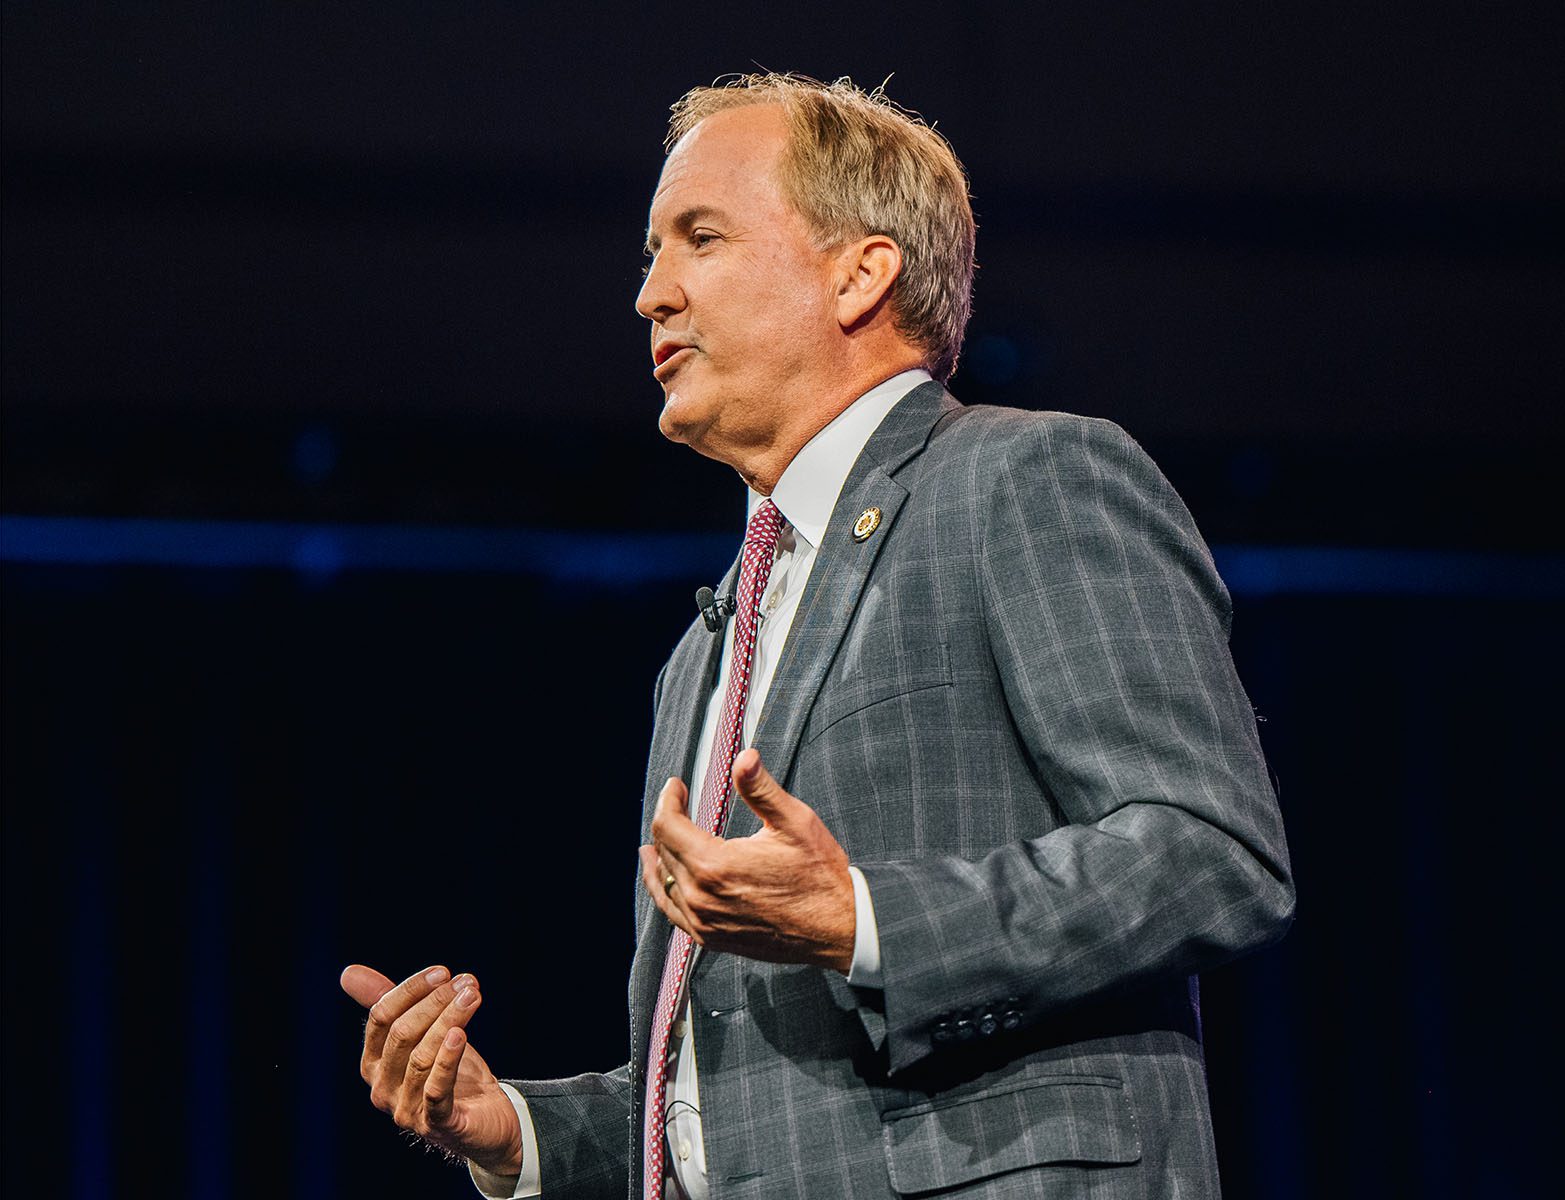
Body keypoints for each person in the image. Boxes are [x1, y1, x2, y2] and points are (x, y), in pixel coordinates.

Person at [342, 73, 1295, 1200]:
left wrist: (868, 919)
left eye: (700, 236)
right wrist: (514, 1133)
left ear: (861, 272)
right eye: (650, 254)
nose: (652, 294)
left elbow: (1209, 853)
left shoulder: (1025, 479)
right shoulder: (704, 653)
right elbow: (733, 1106)